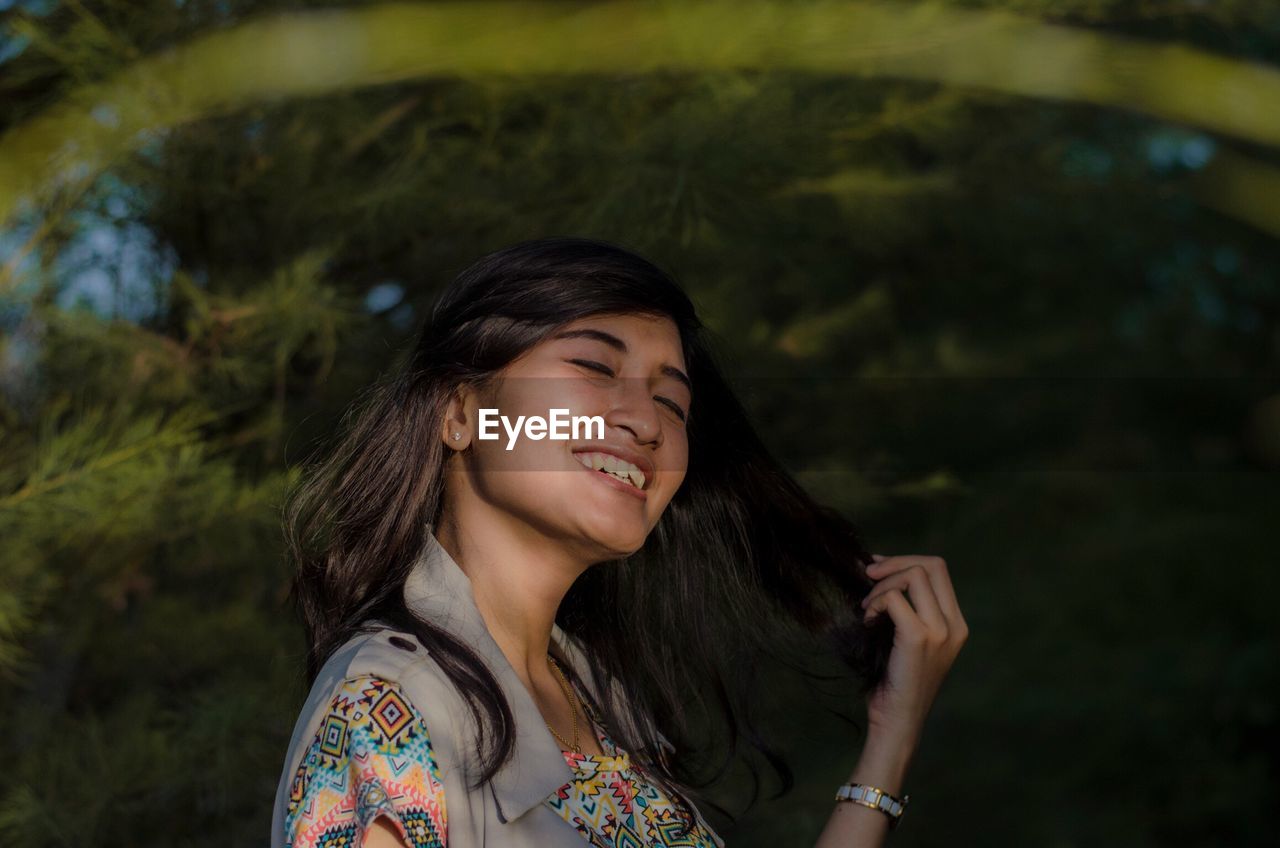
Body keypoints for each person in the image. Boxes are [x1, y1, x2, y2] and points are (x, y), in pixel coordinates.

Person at [270, 236, 968, 847]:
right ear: (459, 413)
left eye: (672, 402)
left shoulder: (605, 709)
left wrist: (892, 733)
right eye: (594, 368)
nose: (645, 422)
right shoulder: (386, 710)